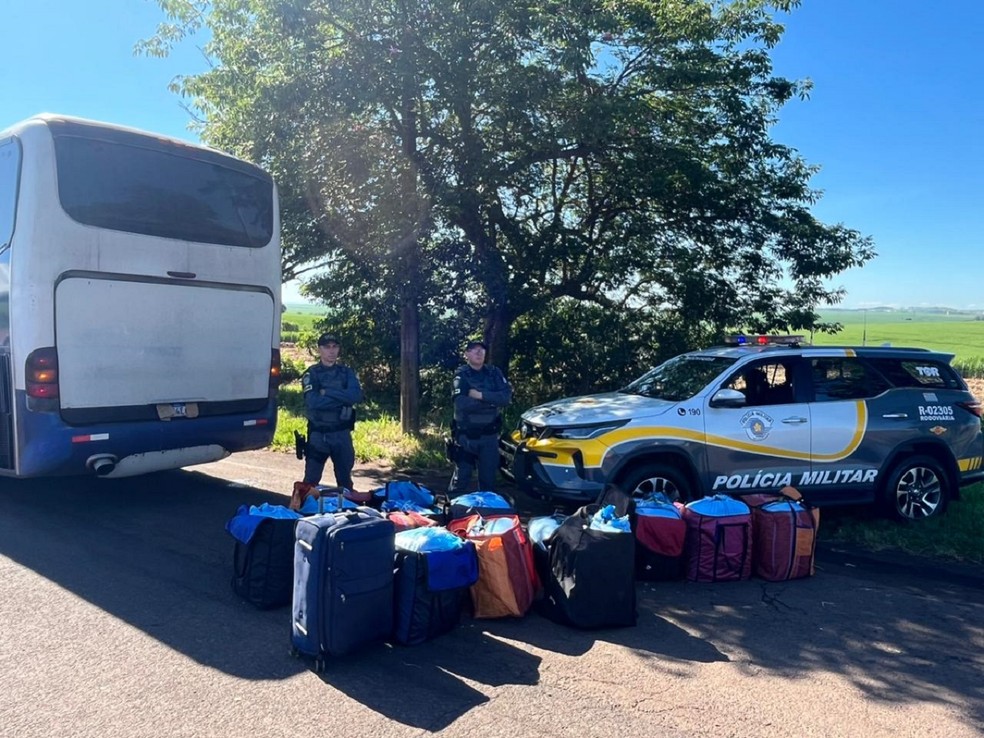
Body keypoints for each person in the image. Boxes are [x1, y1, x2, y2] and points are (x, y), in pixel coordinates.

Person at [300, 333, 363, 493]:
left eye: (335, 346)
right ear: (320, 349)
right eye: (327, 347)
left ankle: (347, 515)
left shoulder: (346, 372)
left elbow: (355, 396)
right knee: (310, 483)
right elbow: (313, 402)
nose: (331, 351)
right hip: (319, 435)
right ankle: (302, 514)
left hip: (342, 433)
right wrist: (341, 396)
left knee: (345, 483)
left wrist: (327, 392)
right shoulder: (311, 374)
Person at [449, 339, 512, 493]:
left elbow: (505, 398)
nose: (479, 352)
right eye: (474, 349)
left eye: (482, 350)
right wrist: (491, 401)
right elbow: (461, 403)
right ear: (467, 354)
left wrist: (480, 395)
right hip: (466, 437)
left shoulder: (494, 373)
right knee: (462, 479)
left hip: (489, 436)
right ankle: (452, 511)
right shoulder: (461, 376)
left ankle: (486, 513)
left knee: (488, 481)